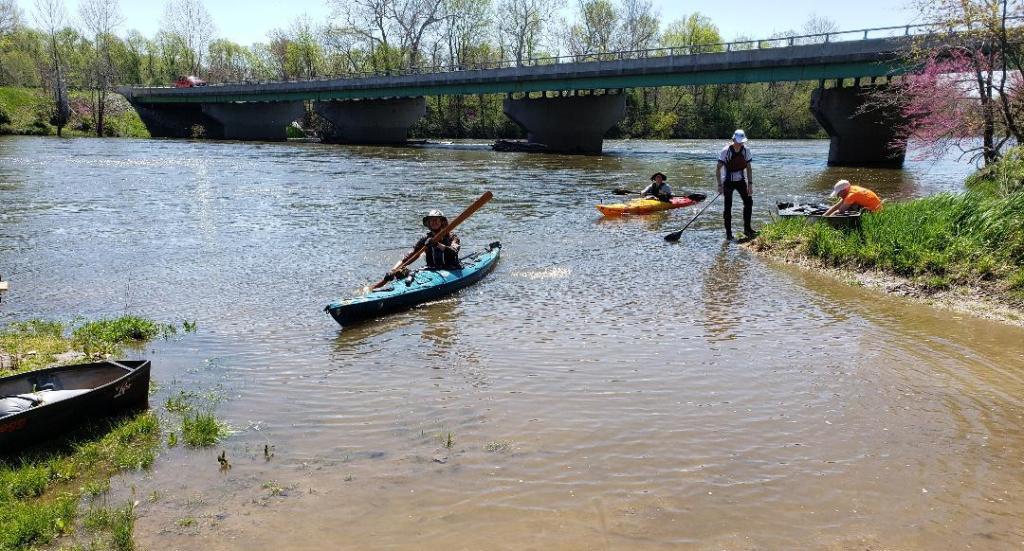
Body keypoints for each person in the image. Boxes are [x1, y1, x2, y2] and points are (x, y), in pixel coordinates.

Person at [389, 210, 462, 279]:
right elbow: (409, 256)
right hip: (432, 269)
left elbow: (454, 251)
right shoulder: (425, 239)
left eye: (436, 220)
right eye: (431, 220)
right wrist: (393, 271)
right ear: (429, 223)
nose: (434, 222)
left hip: (451, 268)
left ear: (442, 222)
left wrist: (437, 244)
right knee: (400, 273)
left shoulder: (452, 237)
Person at [716, 129, 755, 240]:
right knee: (728, 207)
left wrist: (750, 184)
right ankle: (729, 233)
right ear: (734, 139)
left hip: (741, 181)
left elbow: (748, 168)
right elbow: (718, 169)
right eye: (739, 141)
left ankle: (747, 229)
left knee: (748, 202)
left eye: (742, 141)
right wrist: (719, 185)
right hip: (728, 182)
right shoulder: (725, 151)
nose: (741, 143)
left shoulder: (746, 150)